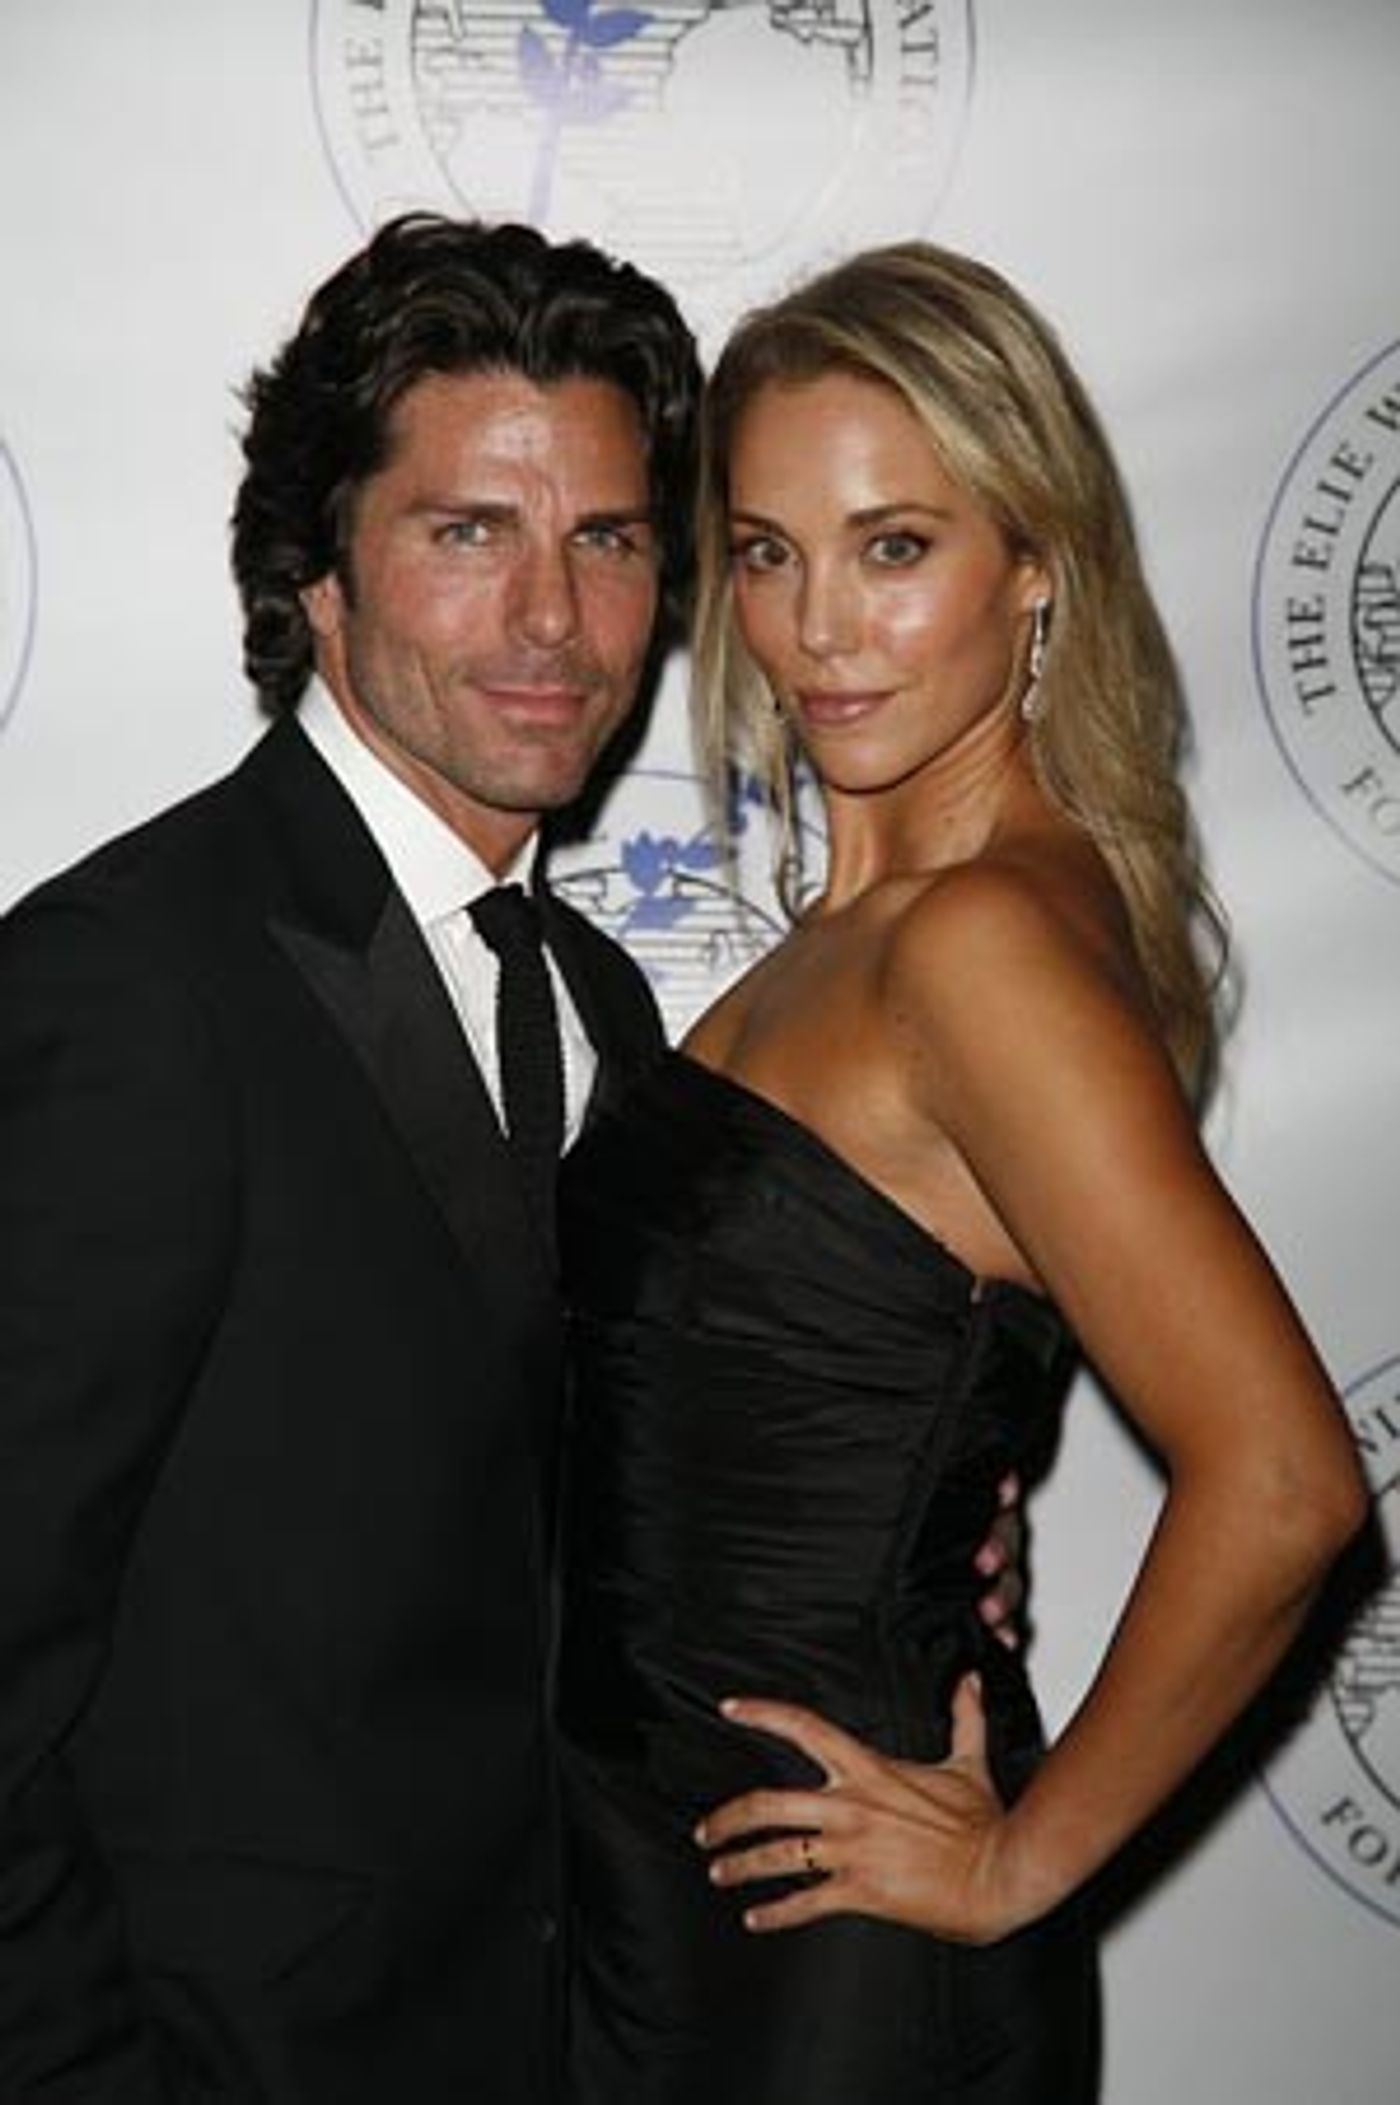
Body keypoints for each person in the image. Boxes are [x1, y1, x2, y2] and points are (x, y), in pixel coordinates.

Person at [0, 215, 1018, 2104]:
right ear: (317, 572)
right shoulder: (129, 984)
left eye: (609, 540)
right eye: (470, 532)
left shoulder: (605, 1003)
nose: (553, 619)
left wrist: (897, 1512)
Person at [554, 241, 1367, 2101]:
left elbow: (1284, 1479)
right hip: (671, 1887)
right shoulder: (873, 930)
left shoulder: (980, 948)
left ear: (1036, 565)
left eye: (895, 547)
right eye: (769, 553)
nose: (818, 627)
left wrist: (1018, 1860)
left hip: (829, 1947)